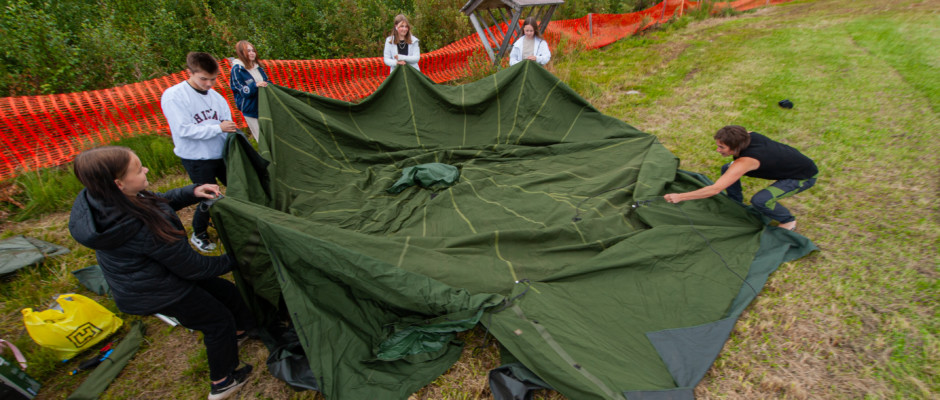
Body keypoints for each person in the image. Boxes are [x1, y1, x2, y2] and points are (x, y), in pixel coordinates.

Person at [67, 146, 256, 400]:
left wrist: (191, 192)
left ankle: (240, 331)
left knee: (226, 292)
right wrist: (240, 257)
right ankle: (223, 382)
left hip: (156, 275)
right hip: (159, 291)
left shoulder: (106, 197)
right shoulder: (143, 228)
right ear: (118, 184)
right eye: (138, 169)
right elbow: (196, 268)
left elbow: (155, 202)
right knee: (217, 321)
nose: (146, 170)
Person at [663, 125, 818, 231]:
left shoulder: (746, 161)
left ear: (736, 147)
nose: (717, 150)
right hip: (791, 164)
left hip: (802, 176)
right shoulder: (746, 136)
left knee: (760, 201)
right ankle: (735, 202)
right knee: (727, 168)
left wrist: (680, 197)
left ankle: (788, 220)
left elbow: (715, 189)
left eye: (722, 147)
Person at [161, 51, 237, 252]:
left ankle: (236, 222)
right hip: (197, 158)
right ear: (190, 73)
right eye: (203, 79)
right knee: (208, 195)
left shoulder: (217, 97)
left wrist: (230, 136)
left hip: (220, 155)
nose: (209, 84)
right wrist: (218, 128)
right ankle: (199, 233)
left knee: (238, 186)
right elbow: (183, 130)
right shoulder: (174, 96)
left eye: (213, 79)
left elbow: (226, 123)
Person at [229, 40, 270, 142]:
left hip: (264, 105)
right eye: (248, 51)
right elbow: (242, 91)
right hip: (250, 109)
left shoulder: (258, 68)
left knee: (270, 134)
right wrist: (255, 85)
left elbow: (267, 82)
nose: (252, 53)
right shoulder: (237, 69)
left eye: (253, 51)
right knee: (261, 138)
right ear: (241, 53)